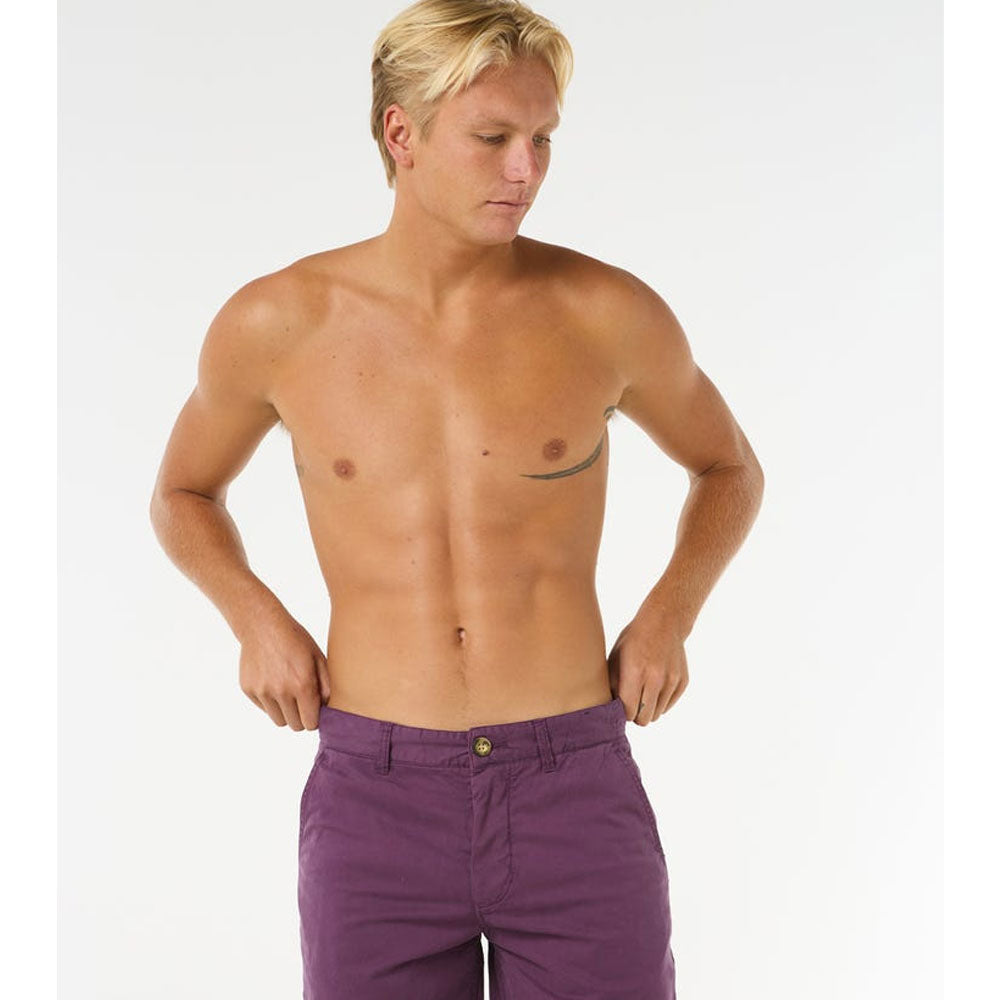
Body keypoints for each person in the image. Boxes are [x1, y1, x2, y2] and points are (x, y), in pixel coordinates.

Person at [149, 1, 764, 996]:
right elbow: (183, 491)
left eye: (543, 139)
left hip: (571, 782)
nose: (526, 169)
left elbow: (729, 467)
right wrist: (254, 618)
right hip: (375, 792)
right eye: (493, 138)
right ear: (402, 133)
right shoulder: (280, 321)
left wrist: (670, 613)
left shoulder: (606, 312)